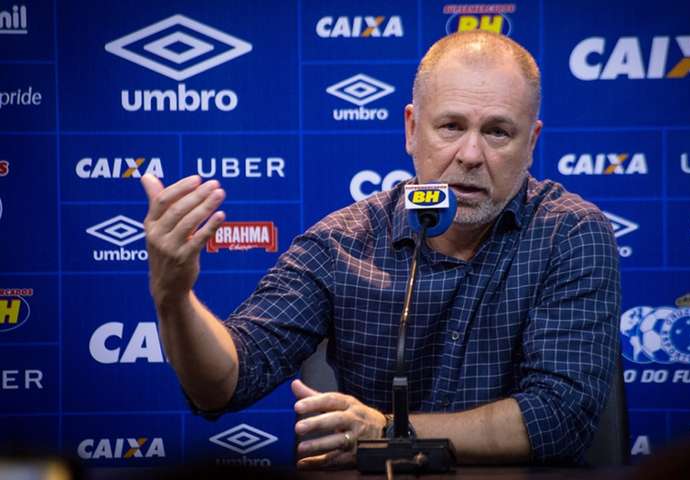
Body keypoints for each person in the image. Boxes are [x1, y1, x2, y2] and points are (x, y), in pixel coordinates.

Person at [140, 31, 620, 468]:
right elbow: (226, 383)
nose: (471, 155)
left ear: (531, 142)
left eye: (497, 132)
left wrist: (386, 432)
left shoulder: (571, 233)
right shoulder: (341, 242)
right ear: (412, 129)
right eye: (451, 126)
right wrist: (174, 299)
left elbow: (559, 417)